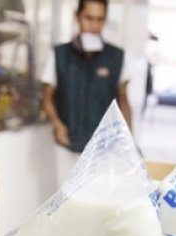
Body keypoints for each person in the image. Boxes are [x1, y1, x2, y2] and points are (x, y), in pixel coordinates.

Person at [41, 0, 133, 185]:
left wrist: (128, 141)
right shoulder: (60, 55)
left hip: (103, 148)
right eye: (89, 18)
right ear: (77, 17)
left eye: (100, 19)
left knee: (99, 195)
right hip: (67, 145)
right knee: (68, 195)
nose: (94, 26)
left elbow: (124, 100)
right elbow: (47, 98)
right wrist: (57, 124)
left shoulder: (116, 57)